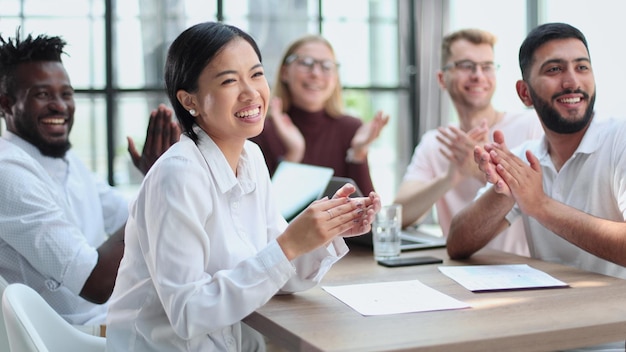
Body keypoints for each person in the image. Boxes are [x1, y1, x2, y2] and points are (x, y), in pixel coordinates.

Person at [105, 21, 381, 351]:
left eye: (256, 74)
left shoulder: (251, 156)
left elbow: (281, 277)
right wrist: (289, 244)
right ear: (189, 100)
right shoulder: (177, 175)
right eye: (229, 81)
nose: (250, 92)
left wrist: (325, 233)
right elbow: (188, 312)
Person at [447, 22, 626, 351]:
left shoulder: (621, 140)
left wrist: (540, 205)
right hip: (550, 333)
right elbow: (458, 244)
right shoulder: (524, 158)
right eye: (555, 69)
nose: (572, 81)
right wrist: (502, 194)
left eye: (582, 67)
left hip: (615, 337)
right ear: (524, 93)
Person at [0, 31, 180, 326]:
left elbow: (127, 213)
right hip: (72, 337)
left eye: (66, 94)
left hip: (110, 321)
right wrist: (159, 184)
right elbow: (94, 283)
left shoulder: (64, 159)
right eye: (43, 94)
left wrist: (156, 179)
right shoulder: (8, 173)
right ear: (6, 104)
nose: (60, 106)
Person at [394, 28, 543, 256]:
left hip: (525, 269)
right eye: (466, 66)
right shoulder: (435, 142)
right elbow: (400, 215)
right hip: (459, 268)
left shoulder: (531, 125)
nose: (478, 76)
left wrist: (481, 172)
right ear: (442, 79)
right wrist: (451, 178)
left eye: (487, 67)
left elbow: (545, 199)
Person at [250, 34, 389, 196]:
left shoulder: (350, 129)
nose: (316, 73)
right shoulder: (260, 129)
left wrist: (358, 153)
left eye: (327, 66)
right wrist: (294, 154)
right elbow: (260, 213)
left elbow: (368, 214)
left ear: (335, 77)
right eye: (305, 63)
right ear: (285, 72)